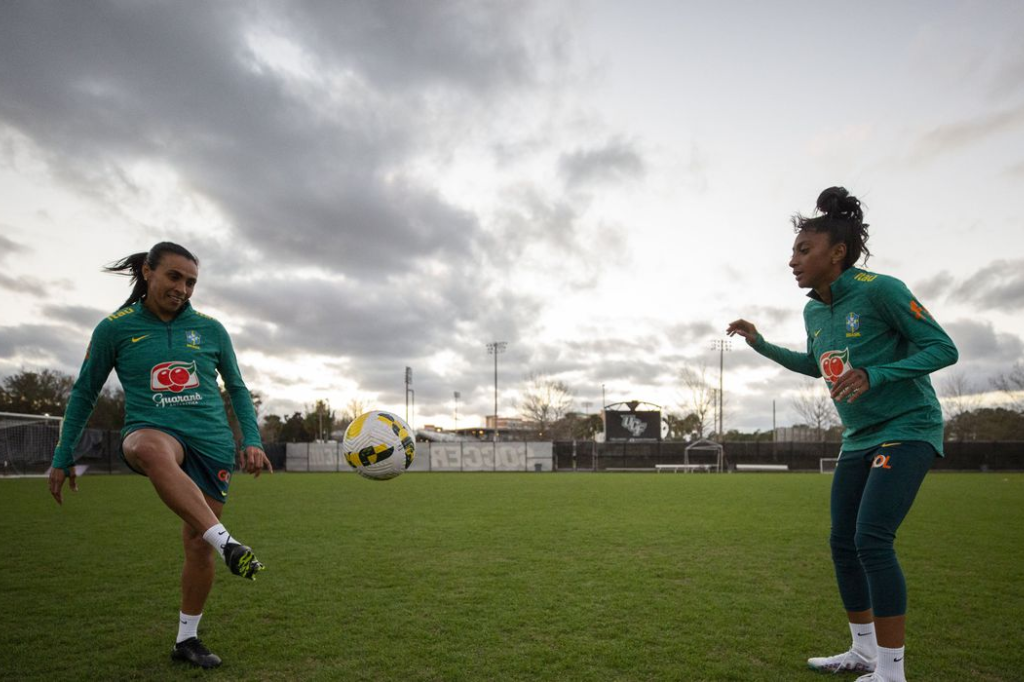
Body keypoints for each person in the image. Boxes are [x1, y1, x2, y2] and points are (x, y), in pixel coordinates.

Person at [727, 188, 957, 682]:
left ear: (838, 252)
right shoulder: (814, 311)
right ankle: (862, 652)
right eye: (792, 251)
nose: (792, 260)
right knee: (842, 542)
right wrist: (760, 343)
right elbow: (817, 367)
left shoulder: (881, 289)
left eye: (802, 250)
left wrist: (878, 374)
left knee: (872, 539)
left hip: (907, 427)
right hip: (857, 436)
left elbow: (944, 348)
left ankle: (892, 673)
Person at [48, 241, 272, 669]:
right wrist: (62, 455)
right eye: (174, 277)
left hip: (212, 443)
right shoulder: (114, 328)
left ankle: (187, 640)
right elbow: (84, 392)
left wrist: (252, 440)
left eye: (190, 282)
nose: (183, 288)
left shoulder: (211, 329)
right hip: (152, 431)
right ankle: (230, 544)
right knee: (149, 448)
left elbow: (238, 389)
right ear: (148, 272)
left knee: (197, 543)